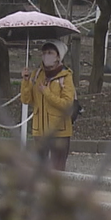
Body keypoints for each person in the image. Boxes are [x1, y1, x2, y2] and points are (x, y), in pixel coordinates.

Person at [20, 39, 75, 170]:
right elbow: (26, 100)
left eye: (50, 52)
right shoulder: (37, 74)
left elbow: (67, 104)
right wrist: (26, 82)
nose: (46, 56)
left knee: (58, 170)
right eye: (44, 53)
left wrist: (47, 93)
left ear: (58, 56)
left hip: (59, 130)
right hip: (39, 129)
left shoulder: (66, 76)